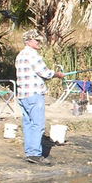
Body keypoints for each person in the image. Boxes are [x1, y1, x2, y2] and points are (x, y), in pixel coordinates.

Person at [15, 29, 65, 165]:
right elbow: (45, 73)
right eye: (37, 40)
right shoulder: (32, 55)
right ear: (28, 41)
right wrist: (57, 74)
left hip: (23, 95)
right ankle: (35, 154)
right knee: (37, 124)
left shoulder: (20, 55)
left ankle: (30, 152)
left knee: (28, 124)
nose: (39, 43)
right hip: (34, 94)